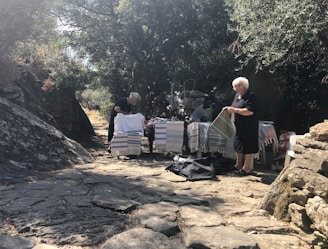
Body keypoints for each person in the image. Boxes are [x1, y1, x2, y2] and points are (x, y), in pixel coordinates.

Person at [226, 77, 258, 175]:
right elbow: (233, 108)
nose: (237, 88)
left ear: (245, 85)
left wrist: (234, 110)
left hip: (249, 125)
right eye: (235, 86)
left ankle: (246, 168)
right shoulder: (236, 96)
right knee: (238, 145)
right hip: (239, 126)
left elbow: (249, 111)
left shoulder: (251, 96)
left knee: (247, 146)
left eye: (239, 85)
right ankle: (238, 165)